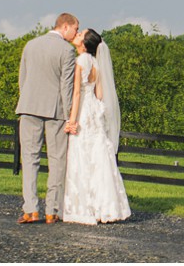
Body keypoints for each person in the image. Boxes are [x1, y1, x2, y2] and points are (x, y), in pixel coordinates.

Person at [15, 12, 79, 224]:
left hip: (29, 107)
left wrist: (26, 103)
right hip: (55, 112)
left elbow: (22, 80)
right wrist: (71, 116)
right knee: (57, 161)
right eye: (75, 29)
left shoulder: (30, 45)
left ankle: (31, 209)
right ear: (65, 26)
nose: (76, 33)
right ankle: (52, 210)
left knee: (29, 160)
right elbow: (66, 87)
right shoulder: (67, 50)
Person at [62, 28, 131, 225]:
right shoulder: (96, 63)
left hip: (83, 111)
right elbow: (100, 94)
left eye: (81, 33)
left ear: (84, 43)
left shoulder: (81, 61)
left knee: (82, 157)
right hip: (94, 110)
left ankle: (85, 207)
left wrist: (72, 121)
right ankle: (106, 206)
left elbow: (76, 94)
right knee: (99, 158)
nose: (77, 34)